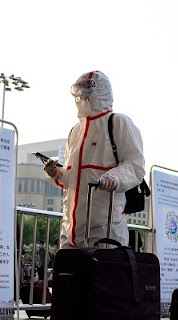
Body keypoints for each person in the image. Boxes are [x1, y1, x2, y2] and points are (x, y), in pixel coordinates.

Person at [44, 70, 145, 248]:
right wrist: (55, 173)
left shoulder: (118, 122)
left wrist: (113, 177)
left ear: (101, 91)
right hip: (70, 230)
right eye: (79, 89)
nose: (82, 94)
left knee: (102, 275)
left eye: (87, 88)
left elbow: (135, 166)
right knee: (69, 275)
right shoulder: (75, 131)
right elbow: (72, 179)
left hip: (105, 230)